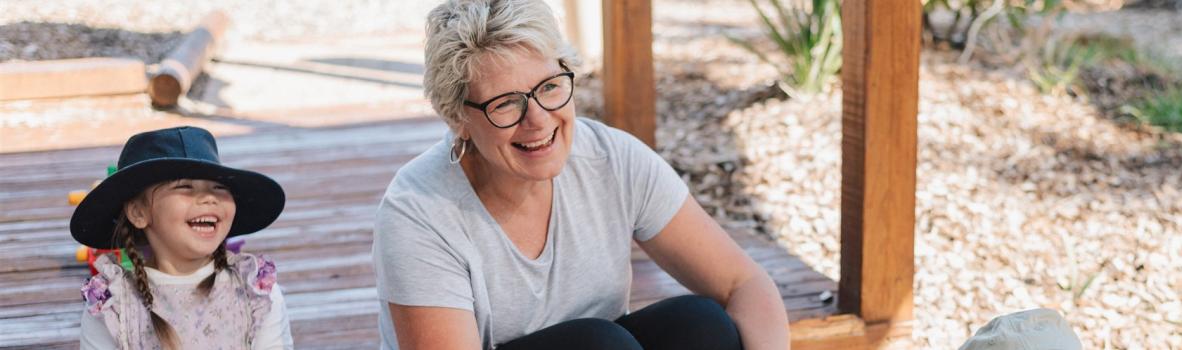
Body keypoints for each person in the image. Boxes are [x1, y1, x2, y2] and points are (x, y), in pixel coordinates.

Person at [370, 0, 790, 349]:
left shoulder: (612, 159)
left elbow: (745, 283)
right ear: (458, 117)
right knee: (601, 345)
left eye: (550, 87)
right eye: (505, 104)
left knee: (699, 325)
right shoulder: (418, 215)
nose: (537, 120)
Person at [70, 126, 293, 349]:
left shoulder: (254, 292)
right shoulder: (113, 305)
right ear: (138, 212)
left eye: (219, 187)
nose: (208, 198)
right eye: (185, 186)